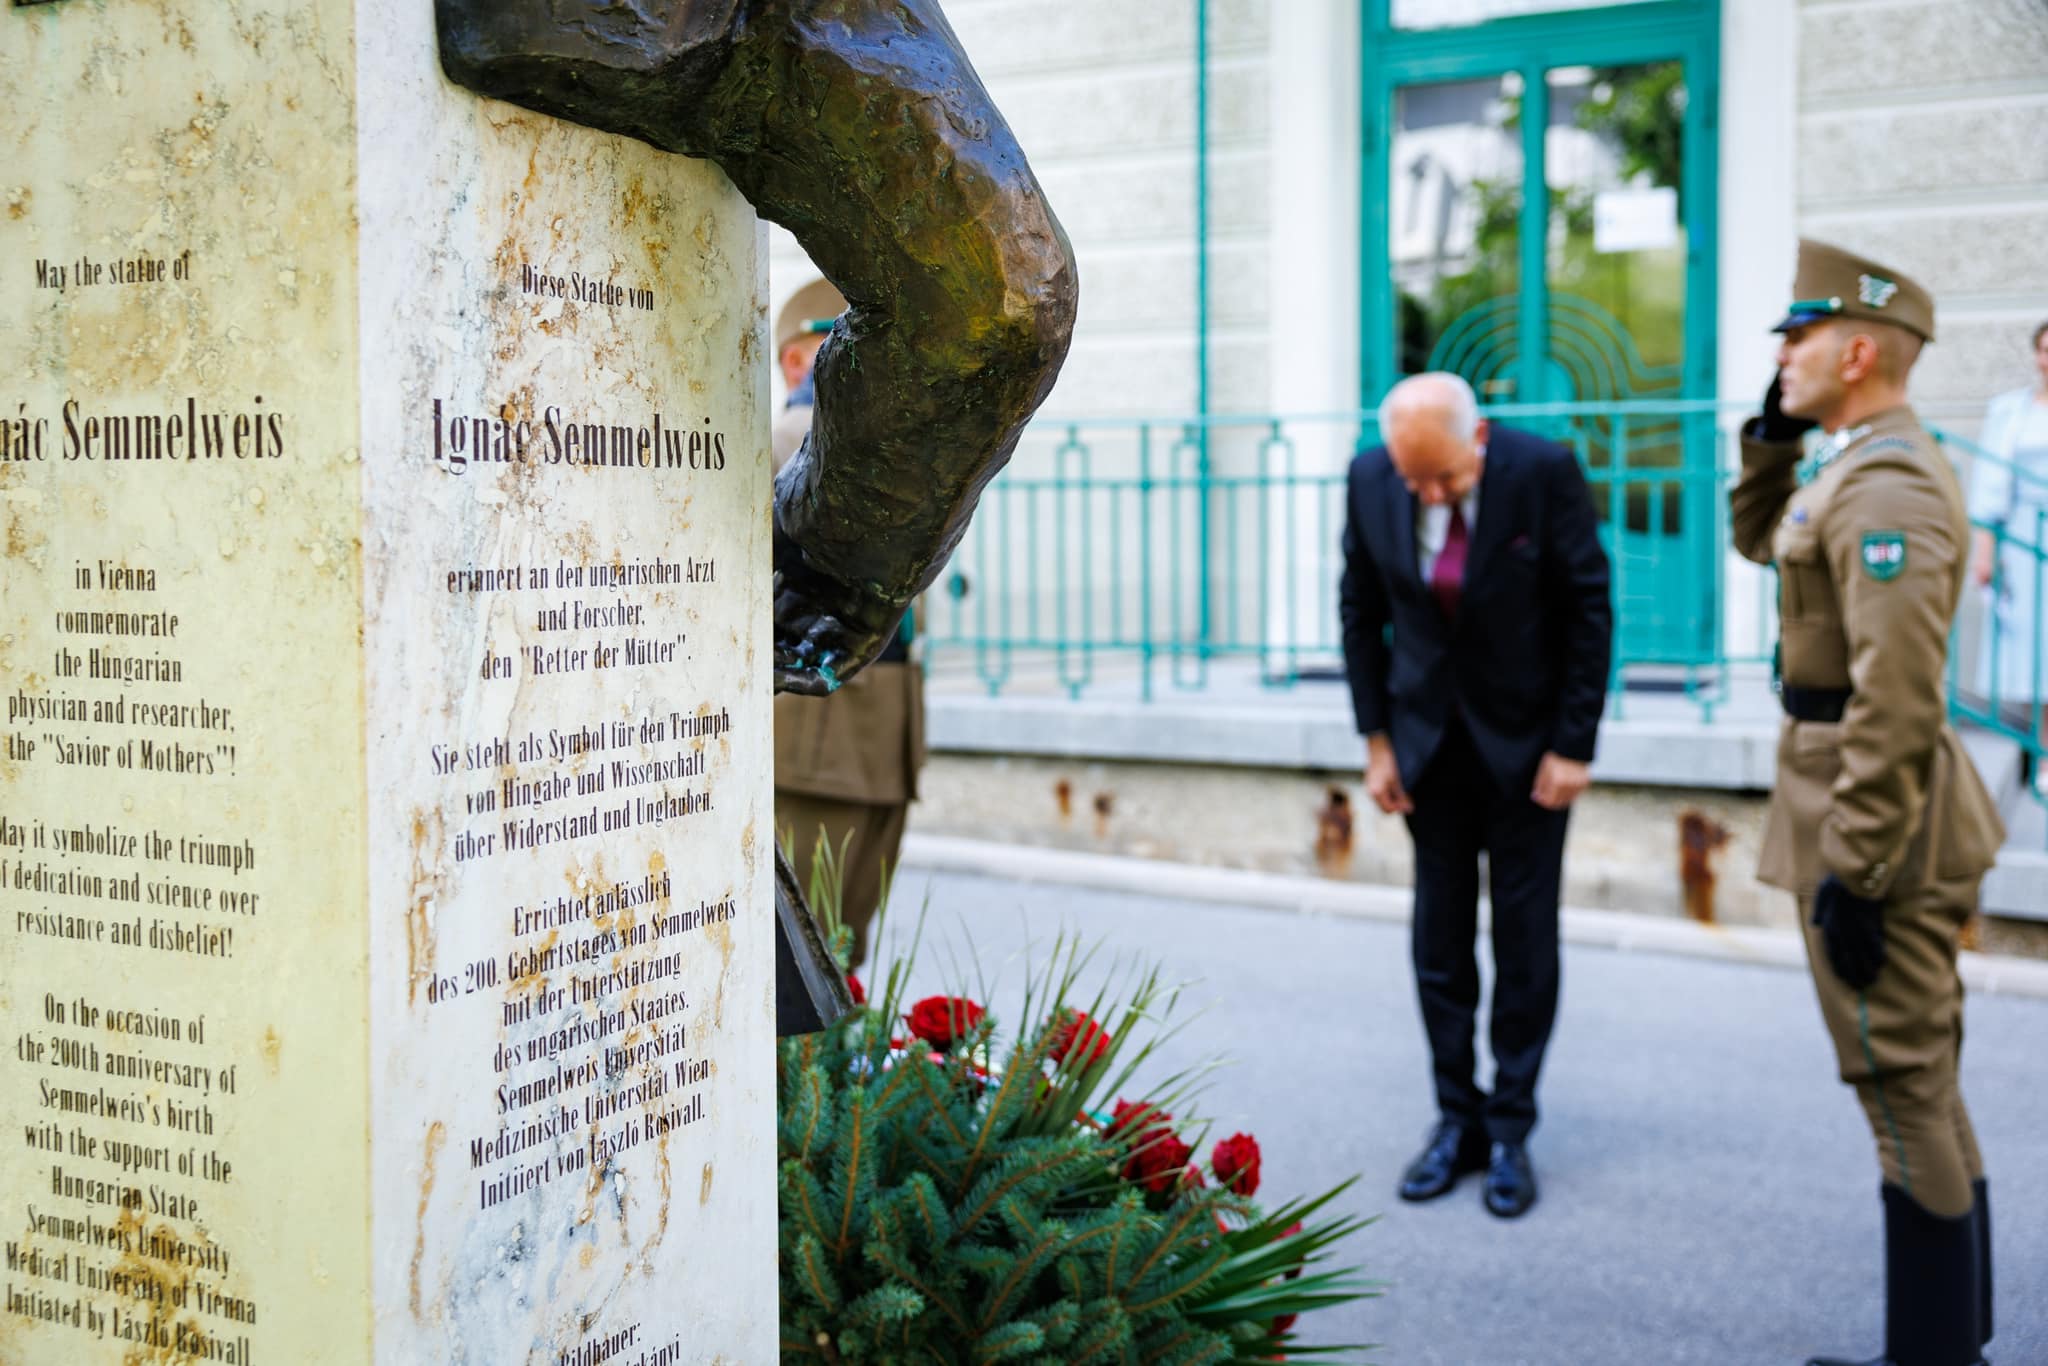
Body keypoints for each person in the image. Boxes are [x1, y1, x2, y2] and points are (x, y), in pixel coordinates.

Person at [1730, 239, 2004, 1366]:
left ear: (1853, 349)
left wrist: (1856, 866)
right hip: (1859, 807)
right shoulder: (1852, 461)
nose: (1780, 354)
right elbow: (1761, 540)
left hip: (1873, 825)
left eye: (1794, 339)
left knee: (1896, 1090)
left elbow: (1893, 699)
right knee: (1918, 1085)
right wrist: (1771, 436)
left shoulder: (1887, 480)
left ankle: (1932, 1359)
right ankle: (1952, 1344)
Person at [1338, 372, 1612, 1219]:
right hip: (1427, 750)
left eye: (1444, 479)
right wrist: (1377, 740)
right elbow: (1359, 609)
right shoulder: (1370, 477)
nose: (1426, 494)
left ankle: (1511, 1131)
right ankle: (1455, 1121)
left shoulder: (1543, 471)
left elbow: (1589, 611)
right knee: (1440, 943)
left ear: (1478, 438)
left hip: (1530, 753)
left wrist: (1574, 744)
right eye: (1414, 479)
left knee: (1525, 944)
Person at [771, 280, 925, 969]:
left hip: (885, 718)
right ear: (798, 364)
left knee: (845, 944)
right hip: (820, 730)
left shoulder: (909, 444)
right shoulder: (787, 438)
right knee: (803, 953)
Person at [1966, 320, 2048, 773]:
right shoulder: (2011, 411)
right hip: (2025, 541)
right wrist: (1985, 549)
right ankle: (2043, 752)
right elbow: (1991, 483)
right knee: (2034, 646)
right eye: (2044, 349)